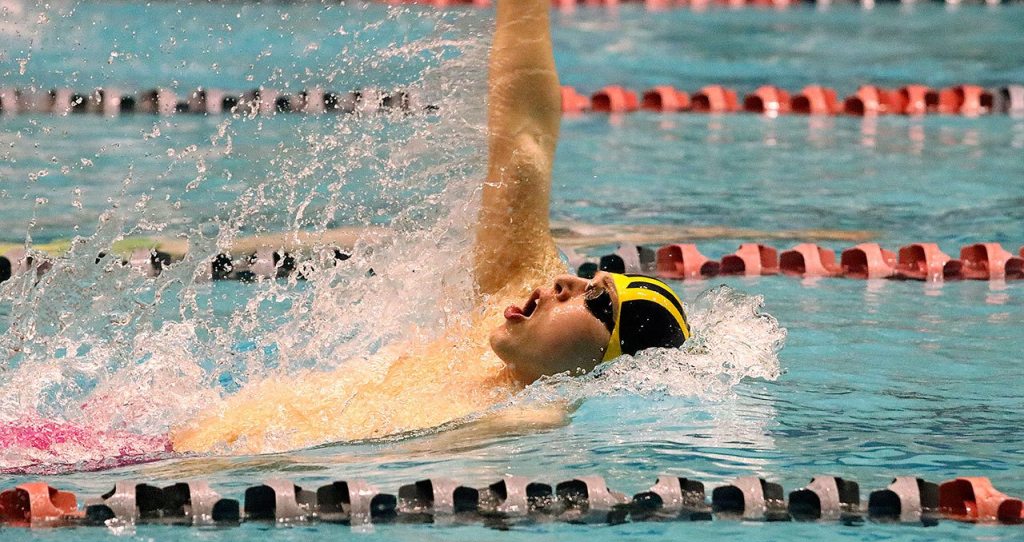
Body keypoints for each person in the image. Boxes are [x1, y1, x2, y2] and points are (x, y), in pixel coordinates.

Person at [170, 0, 690, 454]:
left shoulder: (516, 423)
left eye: (596, 301)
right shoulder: (507, 295)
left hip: (172, 472)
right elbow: (524, 138)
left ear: (610, 364)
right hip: (158, 445)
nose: (565, 281)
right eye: (588, 279)